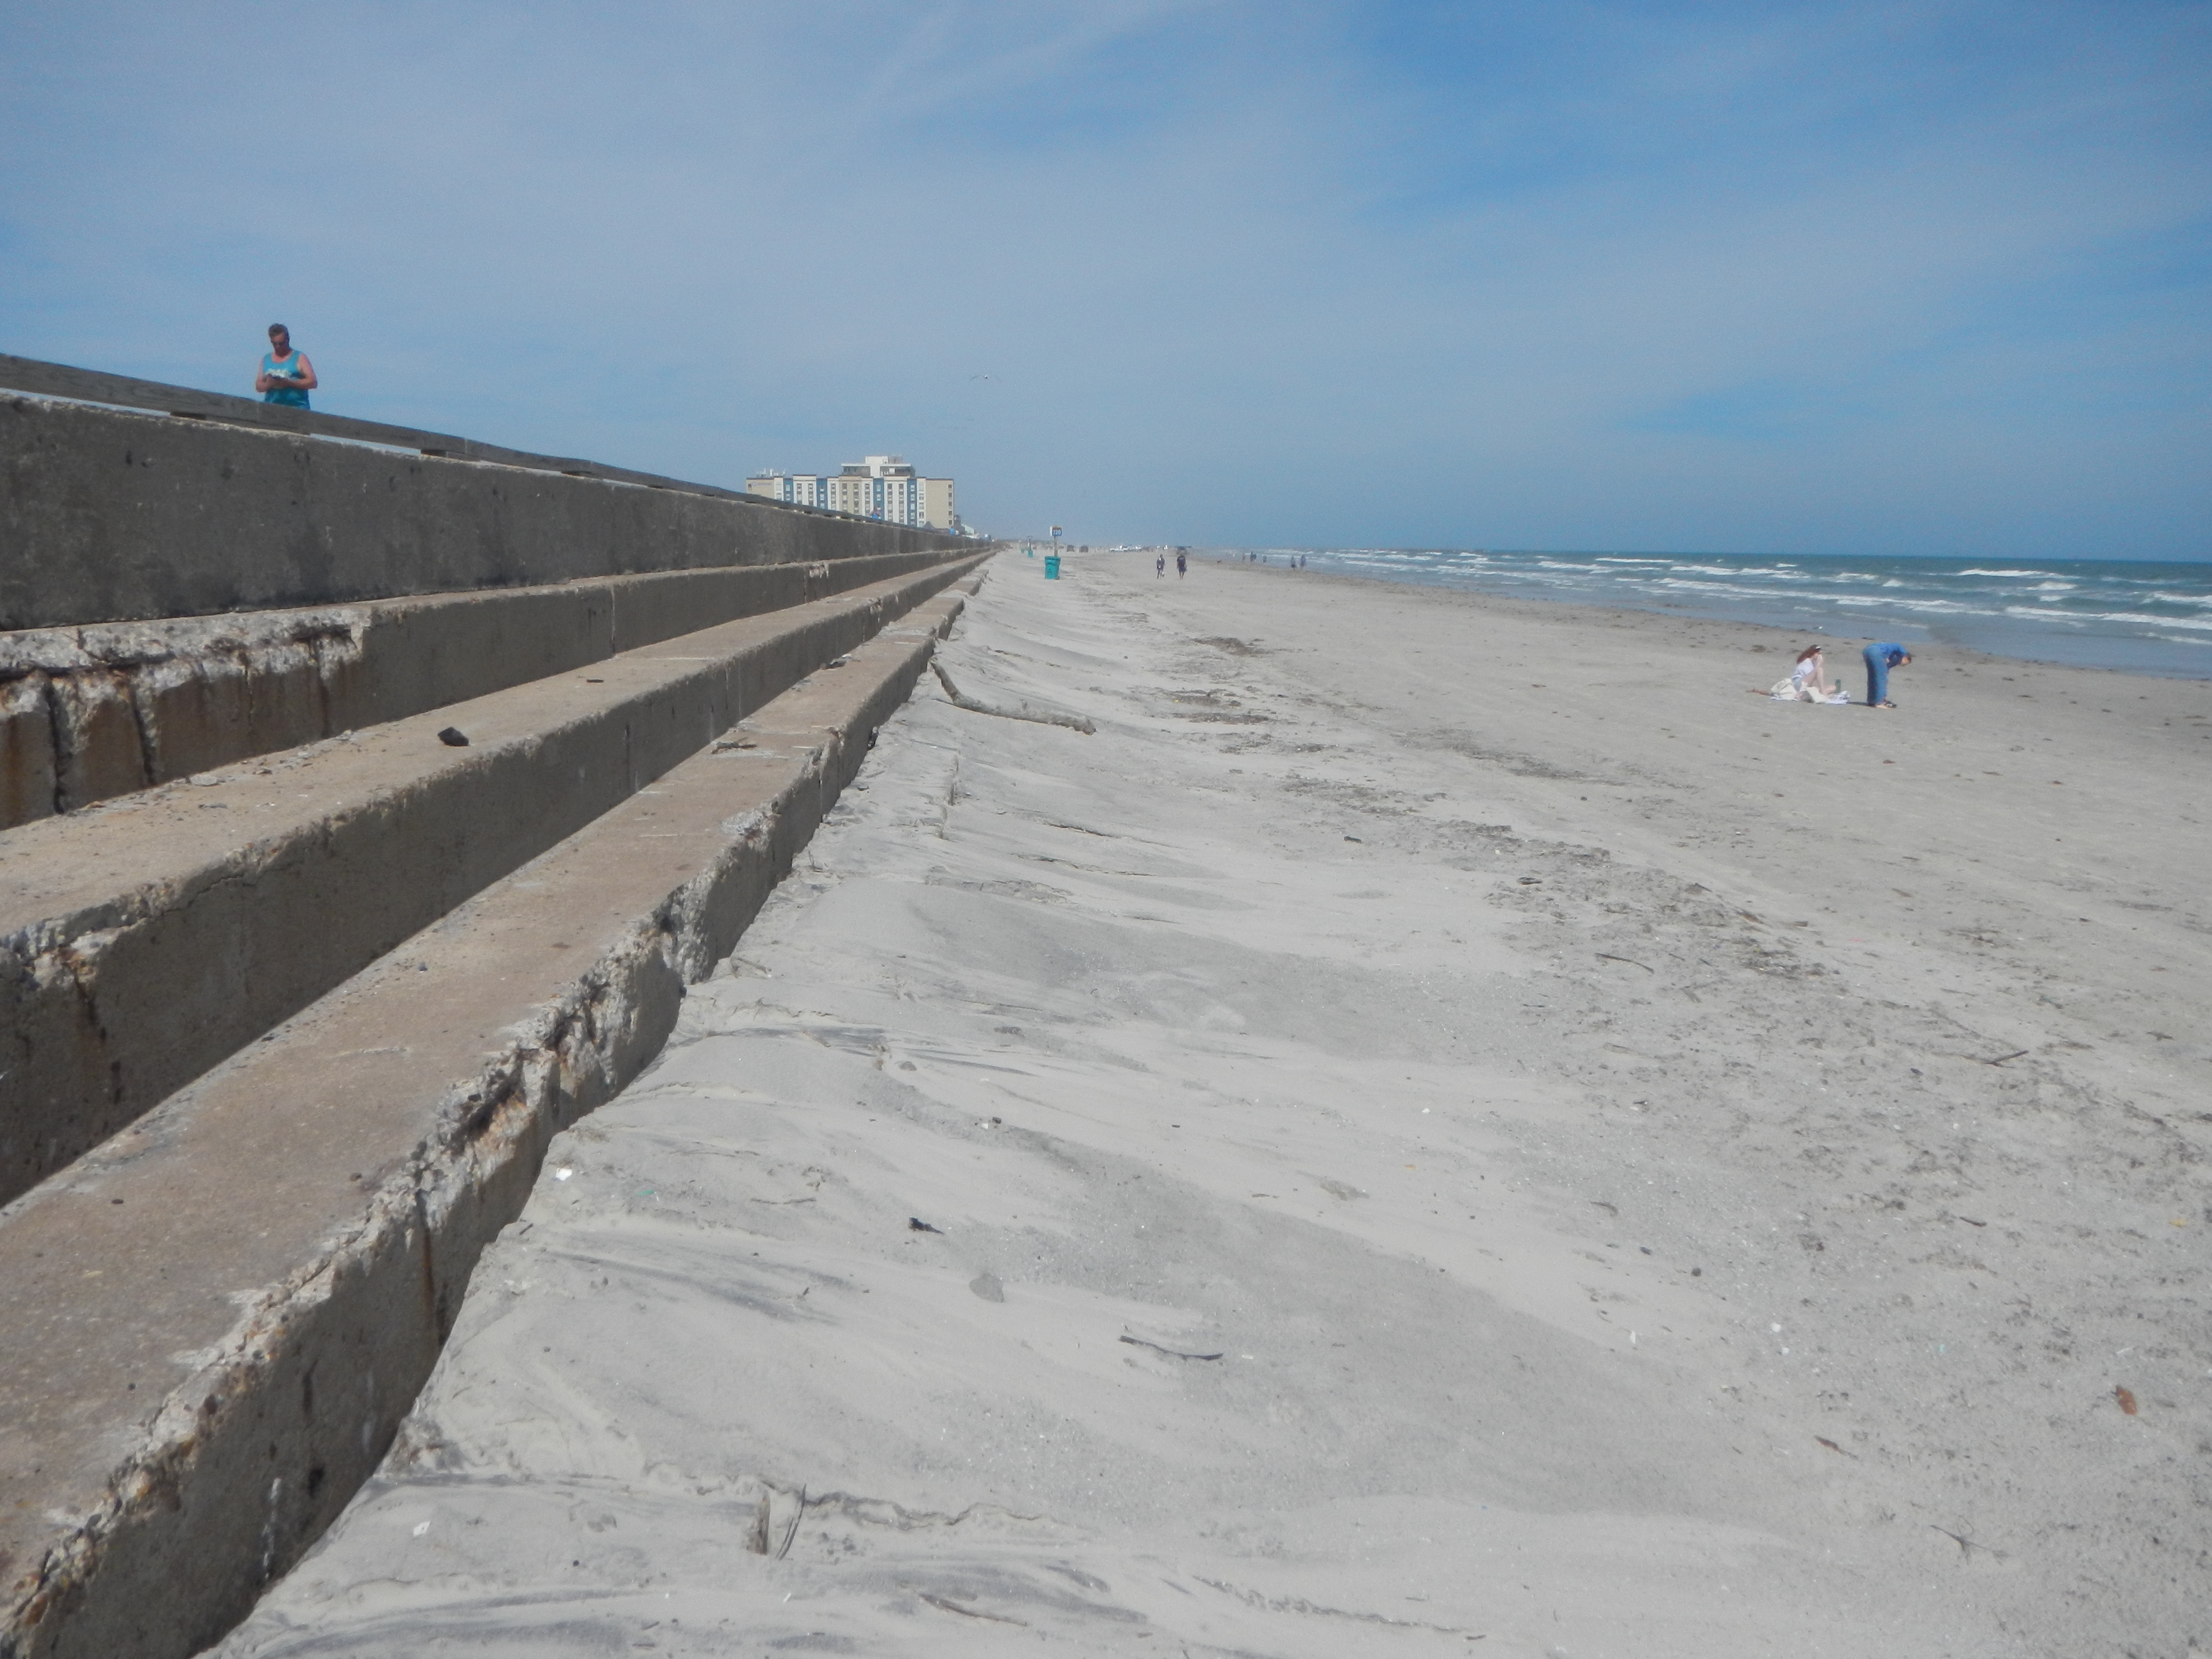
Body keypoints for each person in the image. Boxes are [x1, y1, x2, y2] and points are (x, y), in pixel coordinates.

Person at [256, 324, 317, 408]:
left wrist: (289, 383)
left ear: (288, 340)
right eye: (275, 344)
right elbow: (259, 386)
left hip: (297, 409)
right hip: (272, 410)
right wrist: (270, 384)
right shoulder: (266, 359)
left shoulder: (299, 357)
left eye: (281, 344)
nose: (278, 347)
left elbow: (312, 382)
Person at [1862, 641, 1911, 708]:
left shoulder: (1895, 660)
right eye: (1906, 664)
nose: (1904, 665)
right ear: (1906, 658)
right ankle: (1880, 702)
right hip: (1877, 652)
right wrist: (1904, 654)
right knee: (1881, 679)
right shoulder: (1900, 654)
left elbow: (1886, 667)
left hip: (1868, 651)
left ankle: (1872, 701)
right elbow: (1897, 646)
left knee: (1873, 677)